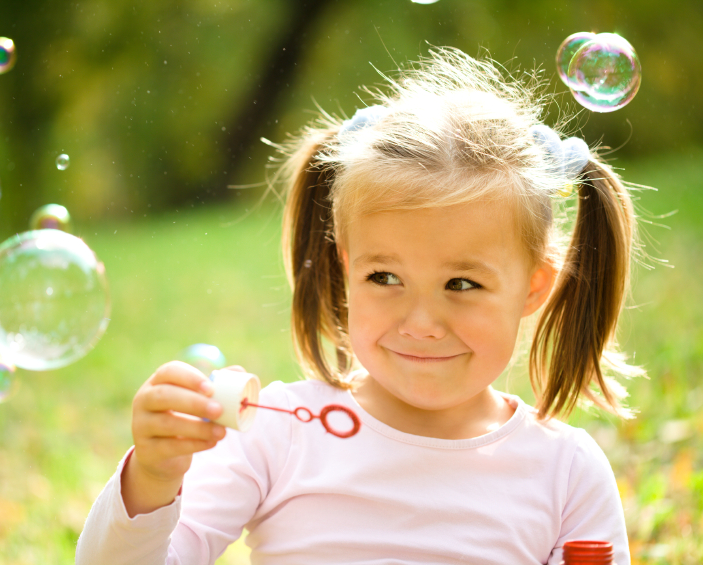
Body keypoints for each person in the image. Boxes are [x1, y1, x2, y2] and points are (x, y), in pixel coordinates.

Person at [76, 48, 643, 565]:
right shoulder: (277, 435)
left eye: (463, 284)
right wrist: (151, 480)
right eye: (385, 276)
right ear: (347, 267)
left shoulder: (565, 472)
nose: (421, 324)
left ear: (535, 287)